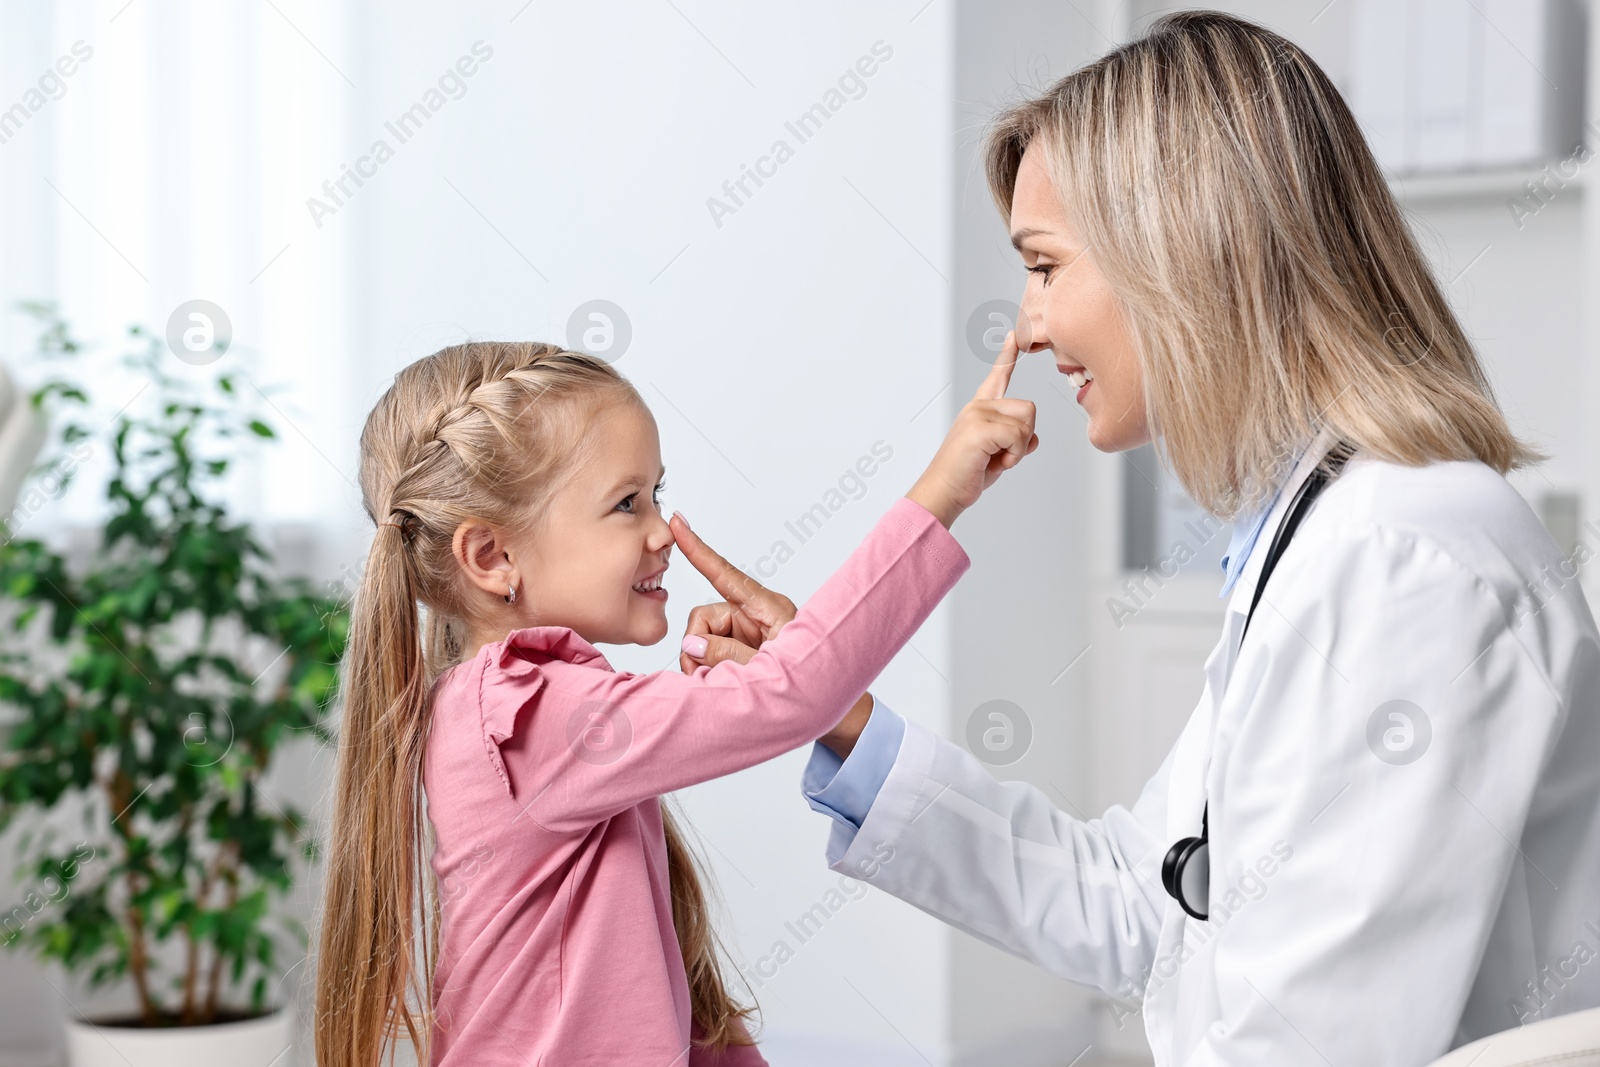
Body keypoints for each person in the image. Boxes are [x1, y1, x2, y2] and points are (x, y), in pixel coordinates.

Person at [673, 11, 1600, 1066]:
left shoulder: (1402, 559)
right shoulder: (1325, 534)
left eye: (1044, 266)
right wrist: (837, 714)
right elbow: (1141, 894)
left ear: (1182, 252)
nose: (1024, 325)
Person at [309, 340, 1037, 1066]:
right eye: (626, 503)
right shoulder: (526, 710)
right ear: (493, 557)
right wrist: (944, 490)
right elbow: (793, 697)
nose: (662, 529)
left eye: (656, 492)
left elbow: (636, 997)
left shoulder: (502, 707)